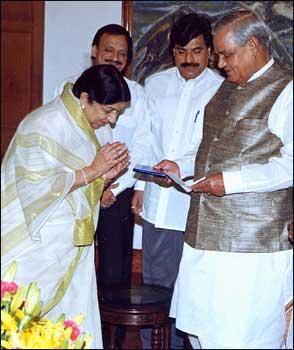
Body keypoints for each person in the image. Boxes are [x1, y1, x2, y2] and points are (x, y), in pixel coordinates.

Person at [169, 10, 293, 349]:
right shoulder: (224, 89)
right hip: (204, 238)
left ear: (253, 45)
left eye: (226, 54)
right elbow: (204, 148)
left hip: (253, 248)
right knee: (203, 332)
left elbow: (290, 165)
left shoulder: (287, 90)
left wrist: (230, 182)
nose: (219, 63)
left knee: (245, 337)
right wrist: (179, 168)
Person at [1, 64, 131, 349]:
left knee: (69, 322)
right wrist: (95, 170)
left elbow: (78, 182)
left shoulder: (81, 127)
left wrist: (103, 178)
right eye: (108, 110)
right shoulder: (44, 124)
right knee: (21, 323)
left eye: (117, 113)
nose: (111, 120)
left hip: (71, 246)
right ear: (85, 99)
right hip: (35, 244)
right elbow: (36, 189)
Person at [131, 13, 224, 349]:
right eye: (182, 50)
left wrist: (181, 166)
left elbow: (216, 149)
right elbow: (146, 141)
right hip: (158, 203)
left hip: (198, 205)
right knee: (155, 287)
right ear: (173, 52)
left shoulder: (222, 90)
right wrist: (141, 187)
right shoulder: (154, 85)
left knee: (195, 290)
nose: (189, 58)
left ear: (210, 51)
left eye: (197, 51)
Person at [55, 24, 148, 289]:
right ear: (94, 51)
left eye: (122, 53)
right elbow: (62, 143)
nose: (115, 58)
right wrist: (93, 181)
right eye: (109, 50)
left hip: (116, 193)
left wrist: (113, 189)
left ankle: (111, 331)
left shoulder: (136, 94)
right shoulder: (70, 89)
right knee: (70, 260)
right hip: (76, 188)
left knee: (115, 271)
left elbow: (142, 145)